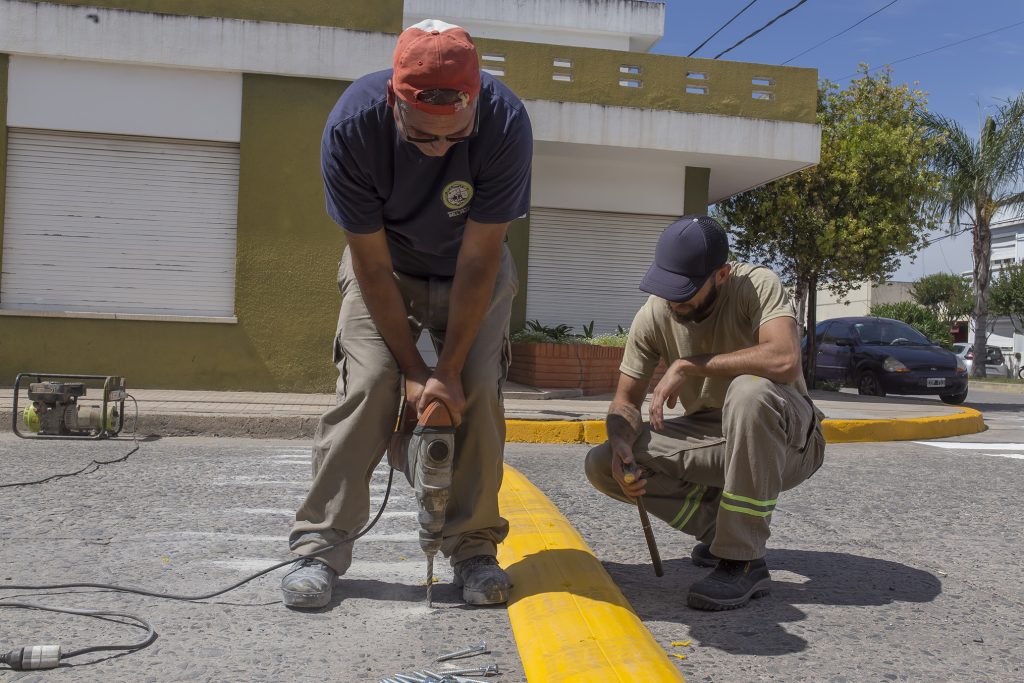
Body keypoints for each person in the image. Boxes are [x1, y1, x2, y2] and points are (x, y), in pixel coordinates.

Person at [281, 19, 532, 609]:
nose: (441, 150)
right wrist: (412, 374)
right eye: (423, 138)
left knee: (477, 388)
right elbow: (369, 267)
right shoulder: (351, 126)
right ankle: (319, 547)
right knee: (370, 383)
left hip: (472, 269)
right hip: (387, 267)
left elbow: (480, 261)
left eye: (455, 137)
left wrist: (444, 372)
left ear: (473, 102)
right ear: (395, 100)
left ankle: (472, 549)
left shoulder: (506, 123)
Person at [585, 214, 825, 611]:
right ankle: (723, 534)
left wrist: (689, 364)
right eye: (667, 287)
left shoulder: (757, 285)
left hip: (789, 442)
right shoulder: (654, 313)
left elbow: (784, 358)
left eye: (686, 290)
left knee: (749, 392)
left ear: (721, 275)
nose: (674, 300)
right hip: (716, 440)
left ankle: (741, 560)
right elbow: (625, 402)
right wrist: (621, 442)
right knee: (600, 463)